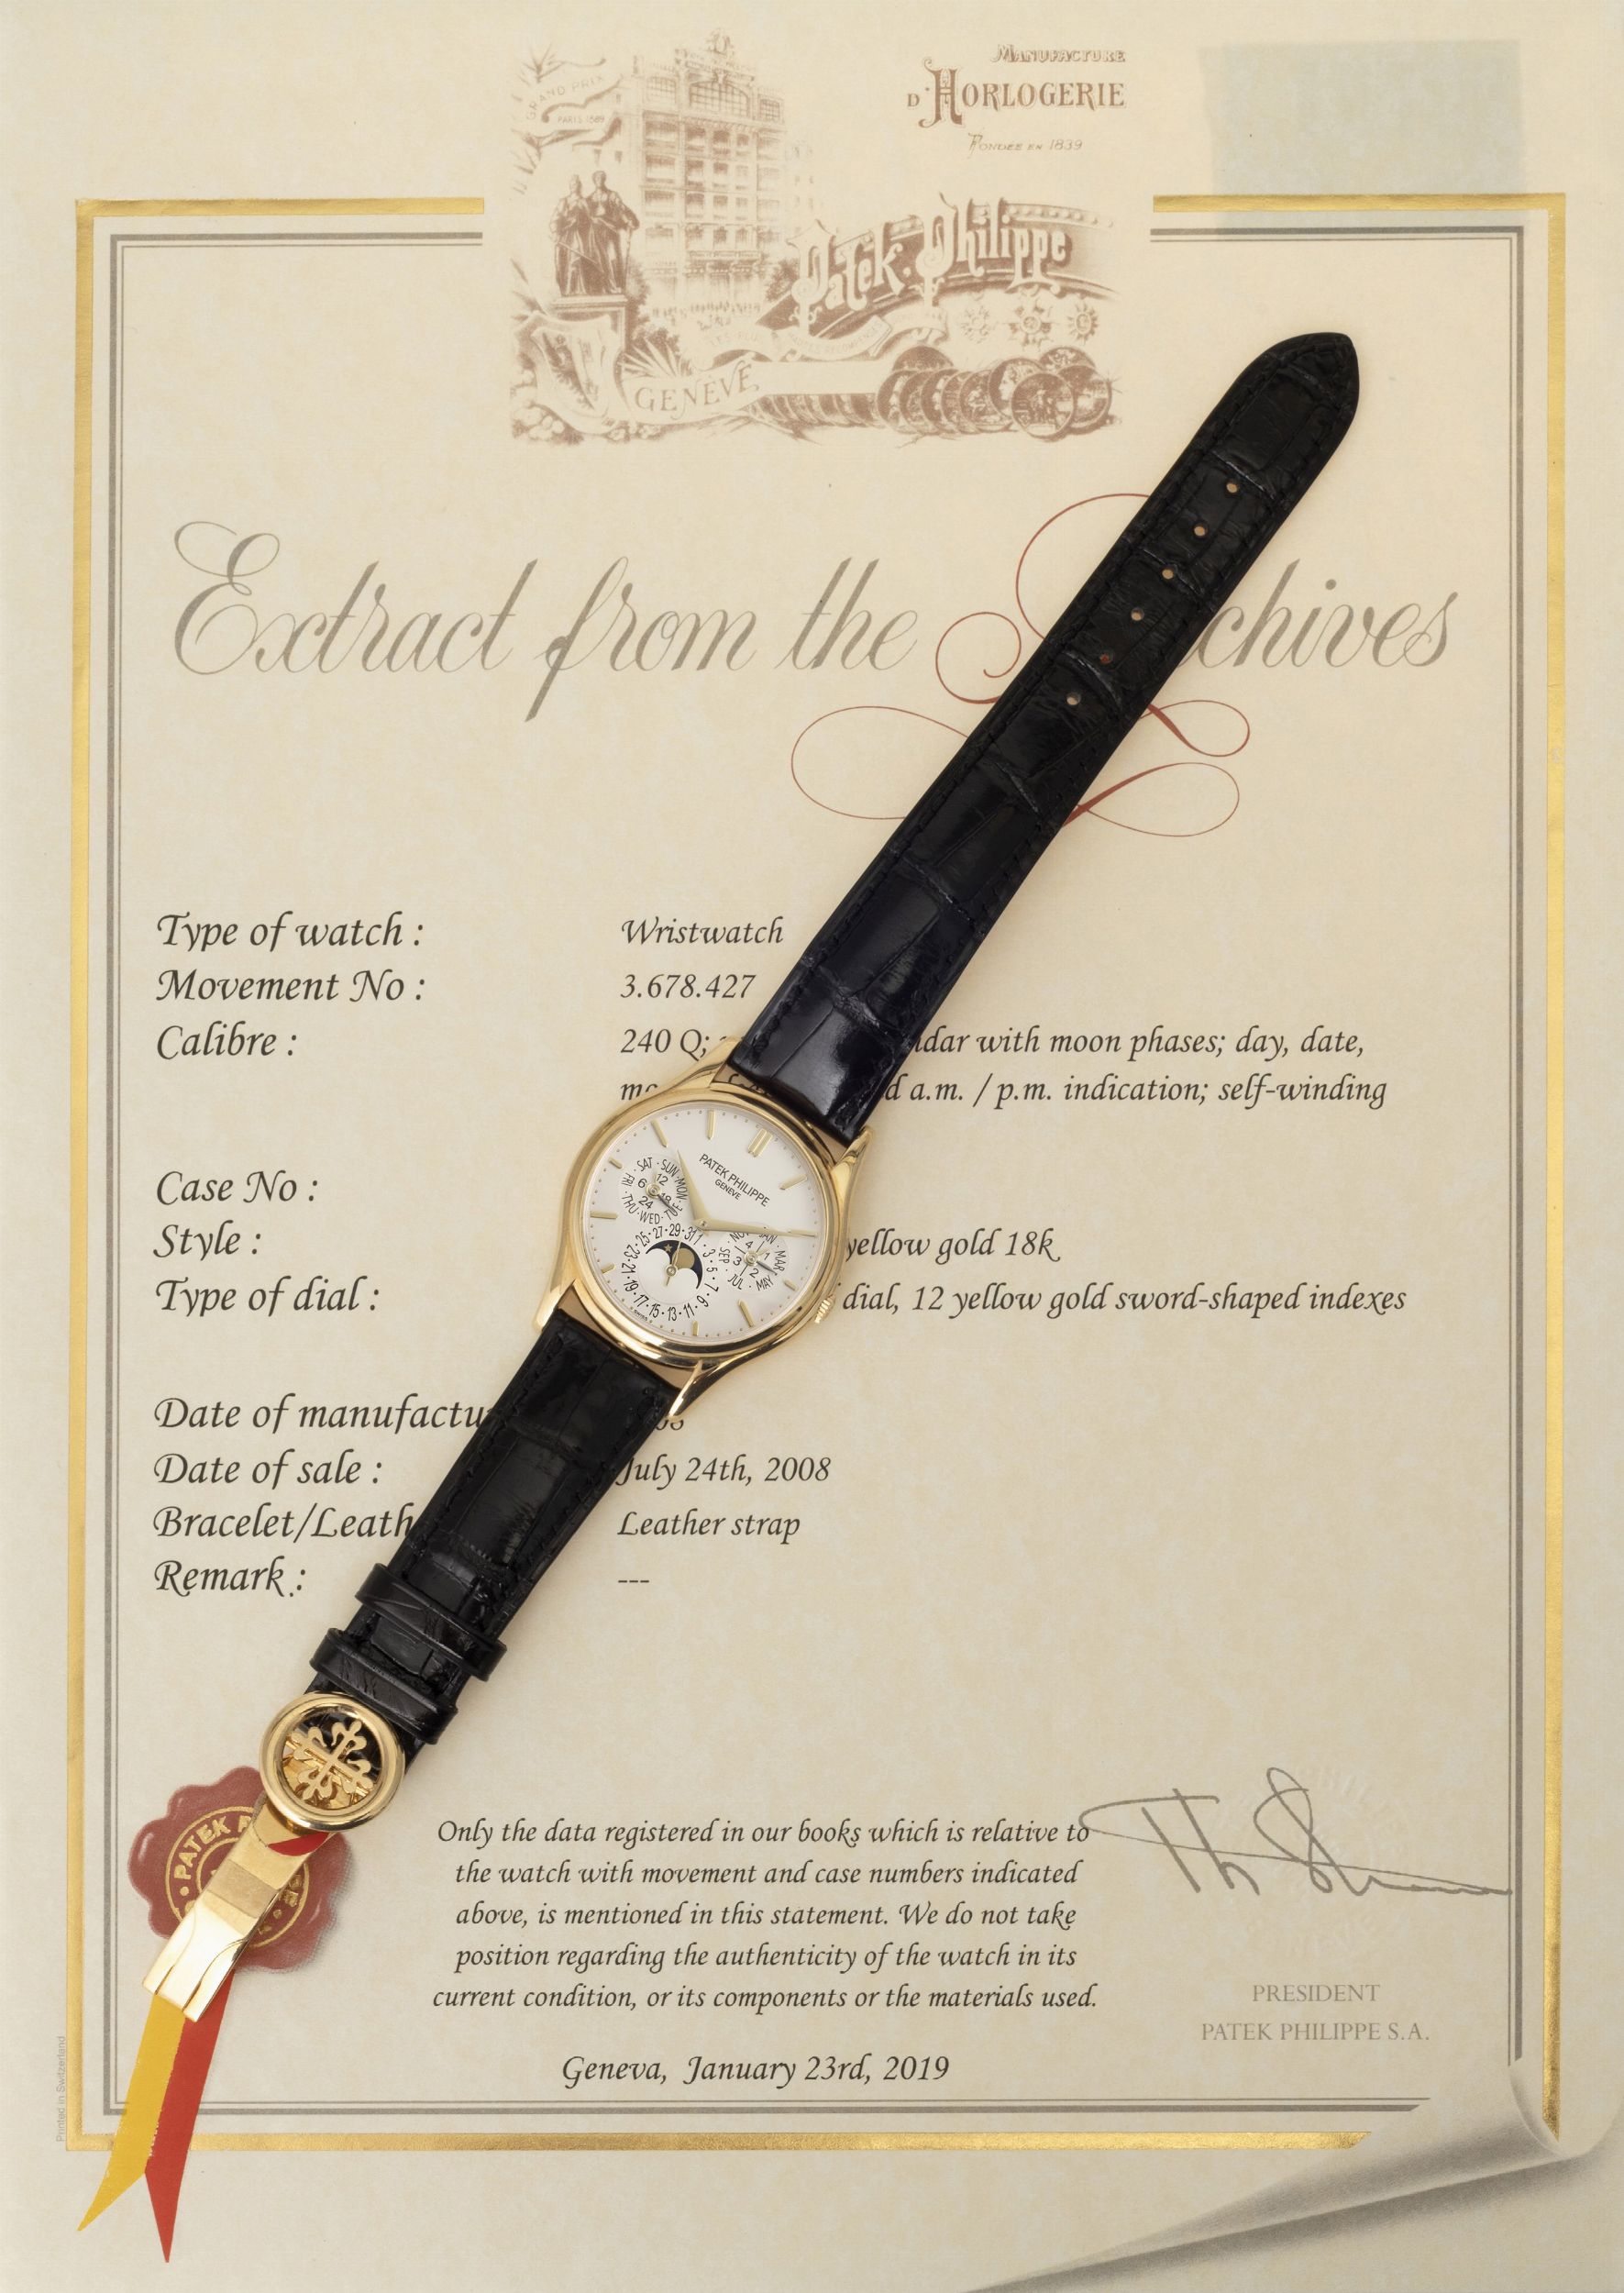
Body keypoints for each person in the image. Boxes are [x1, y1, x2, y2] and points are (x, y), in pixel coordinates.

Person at [583, 172, 638, 294]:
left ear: (604, 180)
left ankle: (616, 286)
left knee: (612, 257)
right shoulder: (589, 199)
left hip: (610, 230)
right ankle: (599, 287)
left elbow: (621, 208)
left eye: (601, 178)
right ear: (594, 181)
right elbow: (584, 216)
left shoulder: (612, 195)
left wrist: (628, 221)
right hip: (595, 233)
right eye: (597, 178)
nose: (599, 180)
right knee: (596, 257)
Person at [551, 175, 590, 296]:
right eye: (572, 184)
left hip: (578, 235)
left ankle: (577, 289)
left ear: (579, 186)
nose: (573, 186)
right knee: (563, 262)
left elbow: (589, 219)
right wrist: (555, 232)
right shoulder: (564, 201)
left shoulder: (583, 202)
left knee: (576, 259)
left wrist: (580, 221)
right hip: (565, 235)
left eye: (576, 184)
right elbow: (555, 218)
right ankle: (567, 290)